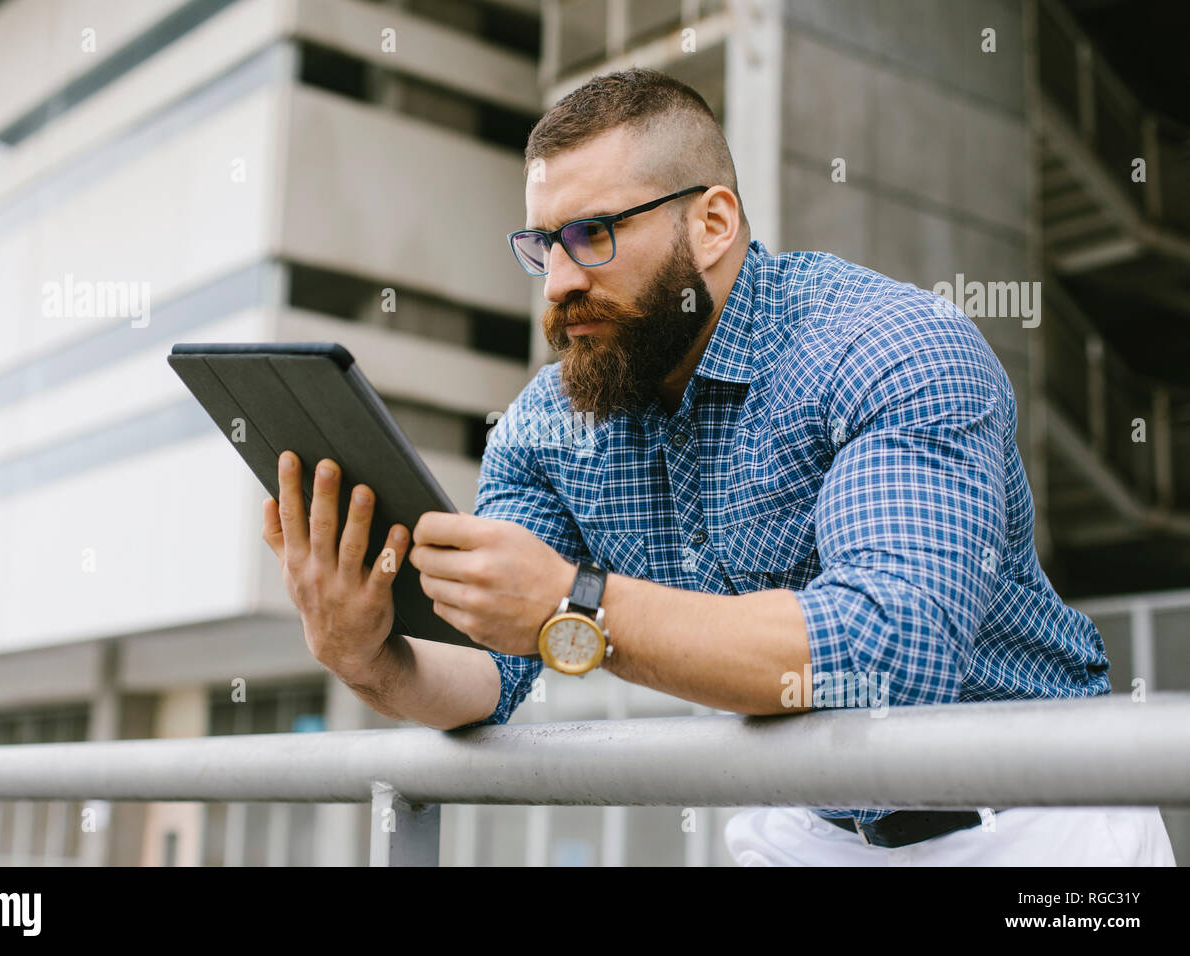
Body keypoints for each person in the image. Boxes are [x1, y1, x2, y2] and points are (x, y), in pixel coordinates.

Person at [260, 67, 1175, 866]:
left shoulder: (889, 345)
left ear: (712, 222)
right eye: (543, 246)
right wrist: (368, 657)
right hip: (805, 833)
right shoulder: (548, 420)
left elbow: (888, 653)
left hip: (1035, 832)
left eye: (593, 236)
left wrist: (576, 604)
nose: (560, 282)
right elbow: (492, 676)